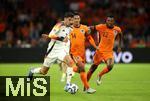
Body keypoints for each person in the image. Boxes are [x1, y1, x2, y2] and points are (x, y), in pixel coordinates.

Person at [27, 12, 75, 86]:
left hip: (62, 51)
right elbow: (51, 35)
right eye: (69, 20)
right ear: (65, 19)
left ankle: (68, 85)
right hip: (52, 51)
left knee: (70, 62)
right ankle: (32, 70)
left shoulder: (71, 27)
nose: (71, 22)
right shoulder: (58, 25)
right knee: (43, 72)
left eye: (72, 20)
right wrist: (61, 39)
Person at [87, 15, 122, 85]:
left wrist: (119, 46)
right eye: (108, 20)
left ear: (114, 22)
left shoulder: (117, 29)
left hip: (109, 52)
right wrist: (86, 29)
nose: (109, 22)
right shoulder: (101, 27)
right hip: (99, 51)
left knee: (110, 66)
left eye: (111, 21)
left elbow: (120, 35)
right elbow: (91, 27)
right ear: (106, 21)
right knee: (92, 69)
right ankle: (86, 85)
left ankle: (100, 75)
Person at [69, 12, 99, 93]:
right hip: (73, 53)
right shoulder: (69, 29)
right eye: (75, 19)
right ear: (72, 20)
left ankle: (71, 69)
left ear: (80, 19)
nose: (76, 20)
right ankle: (87, 88)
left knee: (80, 70)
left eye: (78, 18)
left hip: (82, 53)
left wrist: (95, 46)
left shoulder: (84, 28)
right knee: (82, 68)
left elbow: (89, 38)